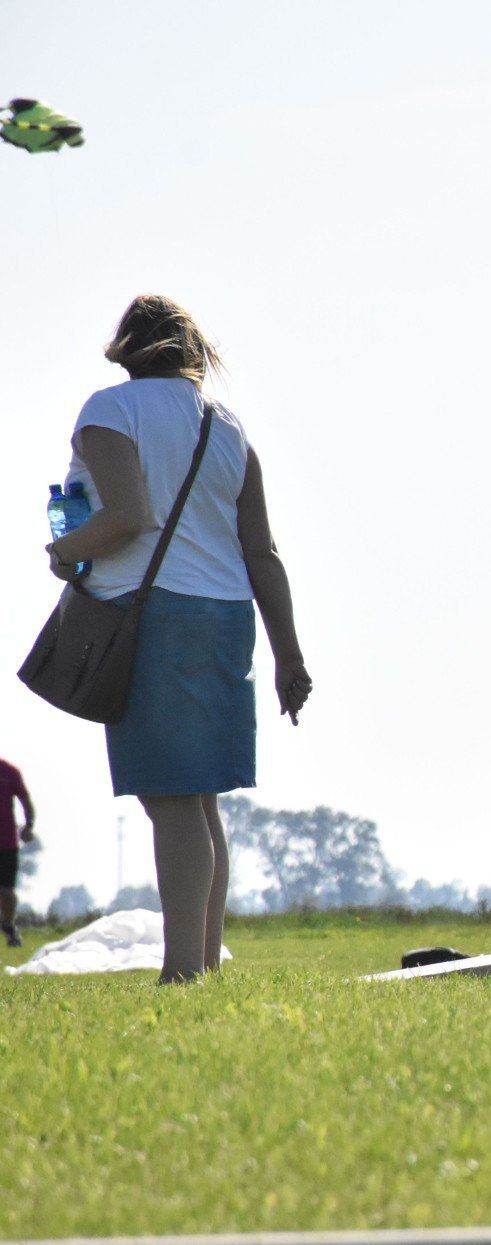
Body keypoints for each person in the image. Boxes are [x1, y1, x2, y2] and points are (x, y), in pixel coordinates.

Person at [46, 296, 311, 984]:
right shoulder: (229, 428)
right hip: (226, 616)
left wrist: (64, 550)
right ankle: (205, 967)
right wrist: (289, 655)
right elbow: (263, 553)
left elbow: (128, 517)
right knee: (200, 799)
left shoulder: (110, 410)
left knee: (170, 800)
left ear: (125, 347)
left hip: (152, 613)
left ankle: (182, 972)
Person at [0, 757, 34, 948]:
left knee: (6, 890)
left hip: (6, 842)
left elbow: (25, 801)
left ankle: (9, 927)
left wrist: (29, 825)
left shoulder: (9, 772)